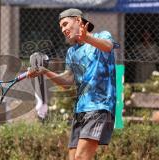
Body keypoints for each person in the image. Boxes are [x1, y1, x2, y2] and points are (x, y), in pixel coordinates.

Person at [28, 8, 116, 160]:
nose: (63, 29)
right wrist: (44, 71)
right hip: (80, 110)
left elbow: (107, 46)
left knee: (80, 157)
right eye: (61, 27)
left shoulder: (102, 36)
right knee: (73, 157)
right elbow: (68, 81)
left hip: (99, 106)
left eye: (65, 24)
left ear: (78, 20)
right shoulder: (71, 52)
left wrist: (87, 37)